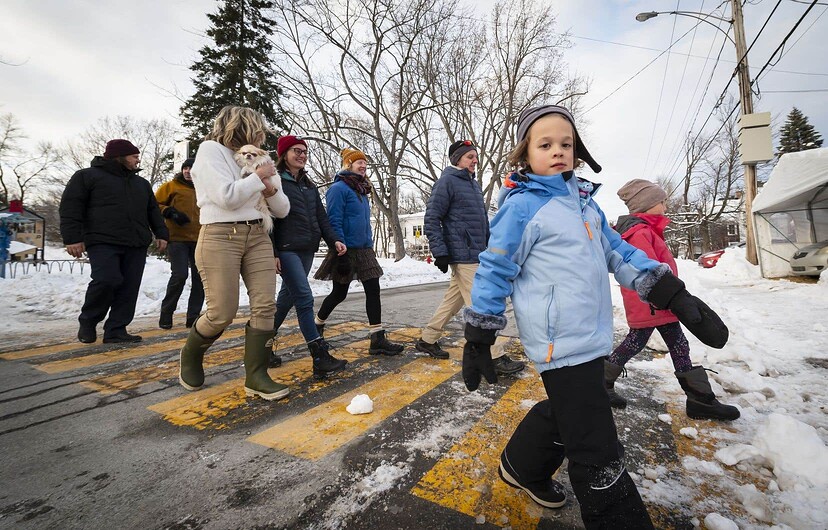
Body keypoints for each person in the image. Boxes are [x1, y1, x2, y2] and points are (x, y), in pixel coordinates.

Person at [461, 105, 729, 529]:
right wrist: (479, 334)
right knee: (596, 447)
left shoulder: (586, 206)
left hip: (591, 334)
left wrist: (671, 292)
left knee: (573, 409)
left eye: (566, 144)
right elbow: (497, 266)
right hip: (557, 339)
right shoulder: (523, 207)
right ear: (524, 154)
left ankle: (522, 466)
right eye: (545, 144)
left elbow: (618, 252)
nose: (558, 152)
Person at [178, 105, 291, 401]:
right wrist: (258, 177)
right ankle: (191, 354)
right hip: (220, 235)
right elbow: (226, 197)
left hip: (257, 235)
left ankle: (257, 375)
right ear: (239, 126)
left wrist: (269, 188)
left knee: (266, 306)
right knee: (222, 312)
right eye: (256, 128)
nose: (260, 134)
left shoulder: (262, 160)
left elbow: (282, 209)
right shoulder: (210, 151)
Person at [606, 179, 740, 421]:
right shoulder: (640, 233)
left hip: (659, 302)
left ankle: (602, 383)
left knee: (647, 344)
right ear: (646, 205)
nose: (665, 206)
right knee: (666, 345)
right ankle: (700, 399)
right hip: (655, 302)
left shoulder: (645, 230)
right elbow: (645, 273)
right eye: (661, 202)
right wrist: (669, 299)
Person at [414, 140, 525, 376]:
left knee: (452, 301)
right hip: (463, 254)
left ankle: (428, 338)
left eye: (475, 157)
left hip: (476, 252)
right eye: (470, 157)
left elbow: (481, 222)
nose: (475, 160)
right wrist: (440, 252)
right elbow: (432, 218)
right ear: (457, 159)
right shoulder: (447, 182)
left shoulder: (471, 185)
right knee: (484, 305)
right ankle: (495, 356)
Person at [60, 139, 169, 344]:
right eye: (134, 156)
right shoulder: (86, 177)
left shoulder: (141, 183)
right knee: (107, 280)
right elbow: (70, 208)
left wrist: (162, 234)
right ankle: (88, 321)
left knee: (129, 287)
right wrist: (73, 238)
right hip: (102, 240)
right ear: (120, 156)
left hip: (135, 242)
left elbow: (152, 211)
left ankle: (116, 329)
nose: (138, 160)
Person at [270, 135, 348, 378]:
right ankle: (319, 355)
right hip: (286, 247)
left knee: (286, 298)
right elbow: (268, 219)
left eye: (304, 151)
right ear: (284, 154)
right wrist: (272, 252)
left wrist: (334, 239)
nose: (302, 155)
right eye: (296, 150)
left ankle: (262, 344)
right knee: (303, 297)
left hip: (306, 247)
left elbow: (321, 217)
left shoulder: (308, 185)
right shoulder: (274, 181)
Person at [313, 148, 404, 355]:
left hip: (364, 249)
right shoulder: (338, 189)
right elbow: (333, 220)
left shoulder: (362, 190)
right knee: (339, 293)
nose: (363, 166)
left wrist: (370, 242)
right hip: (345, 249)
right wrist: (339, 249)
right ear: (348, 165)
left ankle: (377, 338)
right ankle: (317, 325)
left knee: (373, 290)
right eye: (358, 163)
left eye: (364, 163)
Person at [155, 158, 204, 330]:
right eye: (185, 168)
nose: (188, 171)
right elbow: (155, 204)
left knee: (200, 279)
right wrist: (169, 211)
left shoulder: (204, 187)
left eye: (192, 168)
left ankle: (193, 317)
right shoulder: (171, 186)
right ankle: (166, 314)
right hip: (177, 239)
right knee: (180, 275)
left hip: (200, 239)